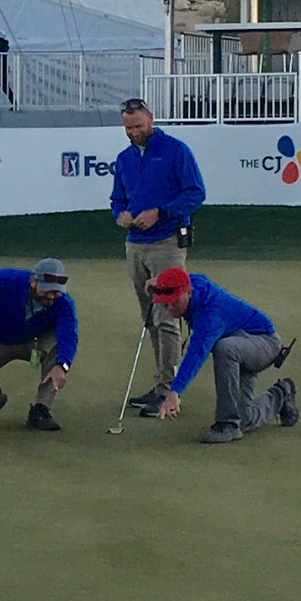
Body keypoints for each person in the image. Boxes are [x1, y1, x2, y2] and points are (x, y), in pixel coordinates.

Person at [110, 97, 206, 417]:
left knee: (166, 317)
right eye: (128, 127)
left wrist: (161, 212)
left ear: (151, 119)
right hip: (135, 243)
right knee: (150, 317)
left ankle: (168, 390)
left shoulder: (176, 150)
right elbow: (117, 199)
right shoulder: (124, 158)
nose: (134, 132)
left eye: (138, 126)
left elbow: (195, 193)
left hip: (167, 242)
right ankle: (160, 383)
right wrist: (120, 215)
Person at [149, 267, 299, 443]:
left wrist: (175, 391)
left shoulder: (210, 314)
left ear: (188, 293)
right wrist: (158, 283)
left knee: (224, 348)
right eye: (165, 302)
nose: (169, 306)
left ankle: (226, 424)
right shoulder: (193, 285)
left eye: (173, 300)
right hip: (240, 346)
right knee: (244, 418)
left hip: (264, 344)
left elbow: (196, 354)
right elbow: (188, 277)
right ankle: (282, 393)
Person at [0, 257, 78, 432]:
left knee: (58, 348)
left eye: (56, 291)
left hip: (35, 342)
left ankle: (41, 410)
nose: (52, 296)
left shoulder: (64, 303)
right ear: (33, 281)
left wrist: (63, 365)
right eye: (47, 290)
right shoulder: (4, 280)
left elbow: (69, 334)